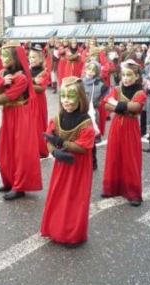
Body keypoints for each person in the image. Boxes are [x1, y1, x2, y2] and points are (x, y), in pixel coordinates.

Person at [41, 76, 95, 248]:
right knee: (58, 195)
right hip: (61, 164)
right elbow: (48, 138)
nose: (66, 100)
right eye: (63, 95)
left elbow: (83, 147)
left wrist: (60, 143)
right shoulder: (57, 117)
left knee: (75, 198)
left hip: (78, 165)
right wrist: (54, 151)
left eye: (70, 96)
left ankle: (73, 234)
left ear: (80, 97)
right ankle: (55, 229)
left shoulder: (85, 121)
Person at [0, 40, 42, 200]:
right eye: (1, 55)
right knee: (6, 149)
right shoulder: (3, 73)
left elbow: (5, 97)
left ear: (15, 57)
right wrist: (1, 82)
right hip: (8, 114)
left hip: (20, 114)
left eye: (5, 55)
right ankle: (9, 181)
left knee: (20, 151)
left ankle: (20, 186)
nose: (2, 58)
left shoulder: (22, 78)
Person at [102, 59, 147, 207]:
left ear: (136, 76)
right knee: (113, 155)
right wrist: (121, 106)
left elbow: (135, 107)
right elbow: (105, 103)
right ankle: (111, 188)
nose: (126, 78)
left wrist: (116, 104)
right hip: (116, 126)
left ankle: (133, 193)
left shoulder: (140, 92)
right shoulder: (116, 89)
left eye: (129, 75)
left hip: (130, 127)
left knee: (130, 158)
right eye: (124, 75)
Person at [82, 61, 109, 170]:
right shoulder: (79, 82)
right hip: (79, 112)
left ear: (96, 72)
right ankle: (82, 160)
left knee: (91, 139)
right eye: (89, 69)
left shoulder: (99, 84)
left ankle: (93, 162)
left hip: (92, 114)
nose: (90, 72)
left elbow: (109, 96)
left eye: (93, 70)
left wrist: (101, 103)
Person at [29, 44, 49, 158]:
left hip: (38, 101)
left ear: (40, 59)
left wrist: (28, 83)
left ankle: (40, 149)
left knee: (38, 125)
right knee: (29, 125)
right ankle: (31, 148)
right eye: (30, 57)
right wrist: (32, 81)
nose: (31, 59)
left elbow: (41, 88)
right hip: (28, 100)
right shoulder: (27, 70)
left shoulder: (44, 72)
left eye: (34, 57)